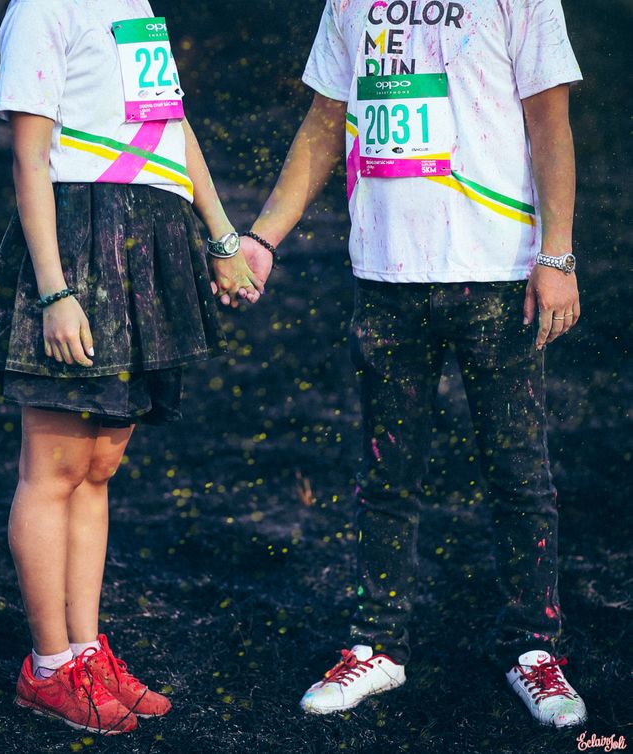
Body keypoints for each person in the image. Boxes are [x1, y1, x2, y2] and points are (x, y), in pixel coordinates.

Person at [241, 0, 588, 728]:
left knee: (519, 474)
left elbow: (549, 121)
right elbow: (325, 121)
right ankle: (378, 645)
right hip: (388, 275)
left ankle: (535, 649)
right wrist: (264, 237)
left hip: (497, 273)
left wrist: (556, 254)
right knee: (386, 477)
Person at [0, 0, 262, 735]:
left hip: (145, 240)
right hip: (78, 242)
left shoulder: (134, 4)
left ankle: (85, 651)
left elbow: (172, 124)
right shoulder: (43, 8)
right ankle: (48, 669)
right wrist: (54, 291)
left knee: (97, 467)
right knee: (54, 469)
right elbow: (30, 156)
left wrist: (221, 235)